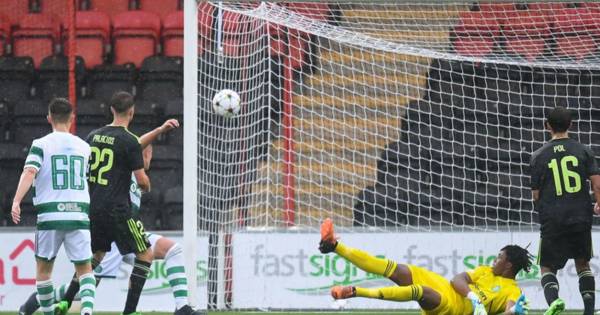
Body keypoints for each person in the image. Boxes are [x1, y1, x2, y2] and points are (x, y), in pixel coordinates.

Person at [19, 145, 204, 315]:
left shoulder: (138, 177)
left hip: (129, 235)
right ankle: (37, 299)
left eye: (150, 153)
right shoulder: (121, 170)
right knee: (87, 286)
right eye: (146, 153)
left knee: (173, 249)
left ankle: (182, 307)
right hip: (112, 237)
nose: (149, 157)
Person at [319, 218, 530, 315]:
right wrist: (475, 299)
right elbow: (458, 280)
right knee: (396, 269)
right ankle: (335, 246)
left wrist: (512, 313)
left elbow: (511, 310)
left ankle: (356, 292)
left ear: (508, 264)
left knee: (421, 292)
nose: (494, 259)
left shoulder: (512, 290)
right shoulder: (484, 270)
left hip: (455, 309)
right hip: (448, 288)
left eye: (499, 257)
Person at [12, 98, 96, 315]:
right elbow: (88, 179)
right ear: (72, 118)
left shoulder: (41, 144)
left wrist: (16, 201)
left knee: (44, 271)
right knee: (85, 270)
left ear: (49, 118)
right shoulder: (85, 147)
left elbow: (29, 172)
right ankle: (87, 312)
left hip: (50, 215)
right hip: (78, 213)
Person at [529, 106, 600, 315]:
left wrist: (542, 210)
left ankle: (555, 304)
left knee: (547, 267)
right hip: (580, 215)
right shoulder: (583, 150)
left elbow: (536, 194)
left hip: (553, 218)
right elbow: (596, 184)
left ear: (547, 126)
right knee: (583, 264)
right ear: (571, 124)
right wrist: (598, 202)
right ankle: (589, 311)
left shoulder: (538, 156)